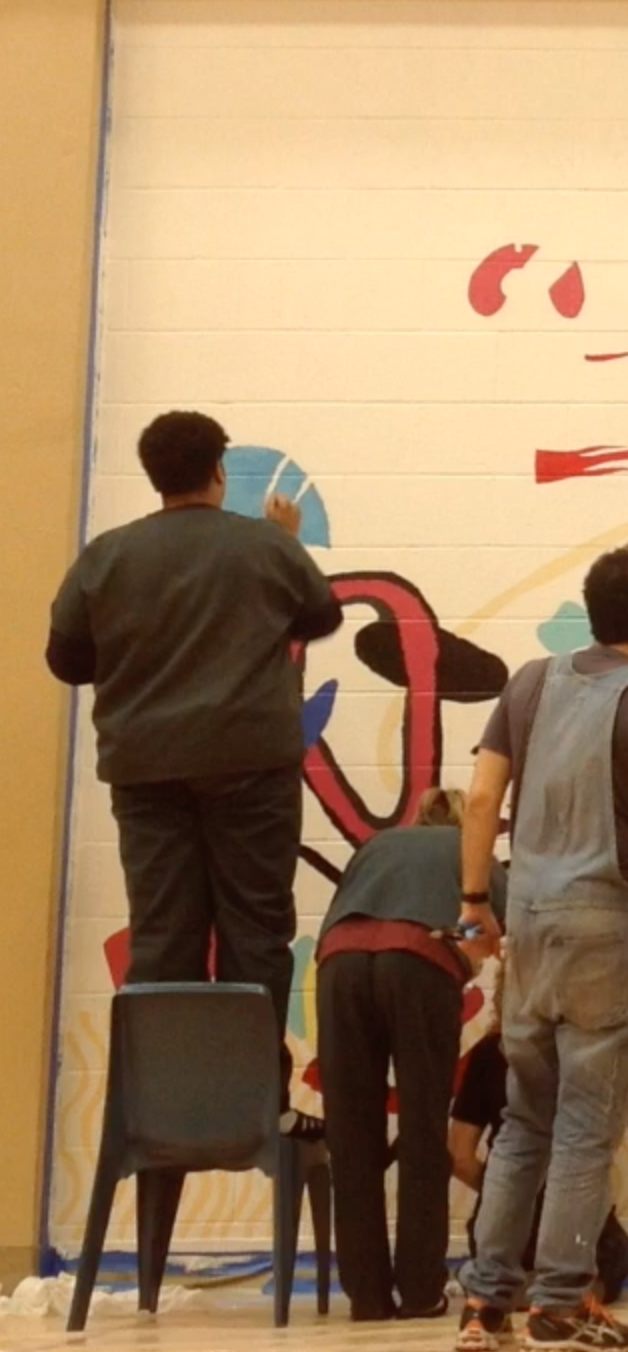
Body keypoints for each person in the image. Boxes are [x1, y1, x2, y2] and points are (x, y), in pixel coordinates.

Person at [453, 545, 628, 1352]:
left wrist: (476, 903)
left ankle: (484, 1304)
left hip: (529, 928)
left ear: (590, 607)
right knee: (582, 1129)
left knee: (524, 1118)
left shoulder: (531, 681)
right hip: (604, 928)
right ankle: (562, 1304)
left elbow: (478, 797)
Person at [47, 409, 344, 1106]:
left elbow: (66, 660)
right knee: (256, 929)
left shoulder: (106, 556)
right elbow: (322, 614)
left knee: (162, 931)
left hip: (145, 771)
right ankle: (249, 1097)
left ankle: (164, 1100)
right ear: (219, 470)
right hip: (253, 768)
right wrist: (282, 546)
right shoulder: (262, 548)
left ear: (154, 476)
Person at [316, 787, 499, 1321]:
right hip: (418, 967)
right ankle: (420, 1290)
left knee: (351, 1132)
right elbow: (492, 926)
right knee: (421, 1130)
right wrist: (469, 957)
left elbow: (348, 912)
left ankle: (365, 1295)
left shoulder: (379, 844)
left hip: (339, 965)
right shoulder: (472, 850)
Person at [451, 1002, 628, 1307]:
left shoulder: (490, 1052)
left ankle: (494, 1292)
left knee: (519, 1155)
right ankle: (570, 1295)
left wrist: (502, 1193)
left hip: (504, 1241)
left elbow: (458, 1156)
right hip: (583, 1240)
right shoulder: (606, 1054)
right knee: (613, 1251)